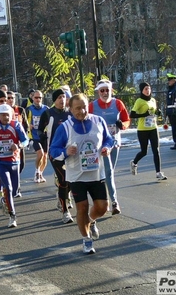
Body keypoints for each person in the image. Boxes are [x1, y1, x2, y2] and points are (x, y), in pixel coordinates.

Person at [49, 93, 115, 254]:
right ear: (70, 109)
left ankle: (91, 222)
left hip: (96, 173)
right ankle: (86, 239)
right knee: (82, 207)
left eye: (84, 107)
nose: (82, 111)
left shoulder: (98, 121)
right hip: (76, 175)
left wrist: (107, 148)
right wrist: (65, 151)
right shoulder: (65, 127)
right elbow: (53, 150)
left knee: (102, 208)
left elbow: (109, 138)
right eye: (77, 108)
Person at [89, 79, 130, 215]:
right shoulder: (92, 106)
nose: (105, 93)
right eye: (102, 90)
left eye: (107, 90)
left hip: (115, 141)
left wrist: (122, 125)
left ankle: (107, 199)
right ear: (98, 92)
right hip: (100, 145)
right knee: (108, 171)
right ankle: (114, 202)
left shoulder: (118, 103)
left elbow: (126, 119)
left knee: (109, 171)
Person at [0, 104, 29, 228]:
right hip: (0, 162)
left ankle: (4, 200)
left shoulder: (16, 125)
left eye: (8, 115)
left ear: (11, 115)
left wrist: (19, 146)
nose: (6, 117)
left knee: (15, 190)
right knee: (8, 187)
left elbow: (26, 140)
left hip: (14, 162)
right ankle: (12, 216)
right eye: (3, 115)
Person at [38, 88, 73, 223]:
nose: (62, 100)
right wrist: (42, 138)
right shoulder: (48, 113)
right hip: (55, 153)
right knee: (63, 179)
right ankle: (65, 212)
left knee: (70, 180)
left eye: (64, 97)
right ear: (54, 100)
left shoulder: (70, 113)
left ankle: (62, 198)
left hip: (70, 152)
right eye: (59, 97)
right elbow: (40, 129)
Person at [130, 82, 168, 180]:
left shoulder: (153, 100)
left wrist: (157, 112)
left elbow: (154, 111)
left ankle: (158, 172)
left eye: (149, 88)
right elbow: (132, 115)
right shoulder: (139, 101)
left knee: (156, 150)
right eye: (145, 89)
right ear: (142, 91)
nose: (148, 91)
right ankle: (134, 162)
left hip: (153, 128)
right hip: (143, 129)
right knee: (144, 151)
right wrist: (143, 114)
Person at [6, 90, 28, 197]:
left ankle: (15, 182)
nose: (10, 100)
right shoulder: (3, 111)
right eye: (8, 98)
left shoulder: (20, 109)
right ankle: (14, 187)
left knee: (21, 165)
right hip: (6, 143)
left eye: (12, 98)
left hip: (19, 143)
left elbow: (25, 125)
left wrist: (23, 137)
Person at [26, 90, 49, 183]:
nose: (38, 99)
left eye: (40, 97)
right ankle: (36, 171)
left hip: (44, 135)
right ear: (32, 98)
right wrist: (28, 125)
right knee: (40, 153)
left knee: (45, 157)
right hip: (34, 136)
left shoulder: (46, 109)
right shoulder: (29, 109)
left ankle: (40, 173)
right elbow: (22, 121)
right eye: (36, 97)